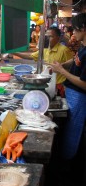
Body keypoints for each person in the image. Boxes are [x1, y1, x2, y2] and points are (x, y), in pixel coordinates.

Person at [48, 13, 86, 161]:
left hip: (80, 99)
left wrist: (62, 72)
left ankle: (69, 164)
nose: (73, 33)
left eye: (75, 30)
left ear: (83, 28)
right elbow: (75, 60)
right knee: (68, 128)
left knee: (74, 132)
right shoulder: (83, 47)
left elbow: (84, 83)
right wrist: (62, 65)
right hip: (71, 94)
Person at [13, 27, 73, 97]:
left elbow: (72, 66)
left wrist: (61, 67)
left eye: (51, 36)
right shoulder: (45, 50)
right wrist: (14, 52)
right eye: (46, 36)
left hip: (59, 86)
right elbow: (30, 56)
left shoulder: (64, 50)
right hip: (47, 84)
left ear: (58, 37)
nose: (47, 38)